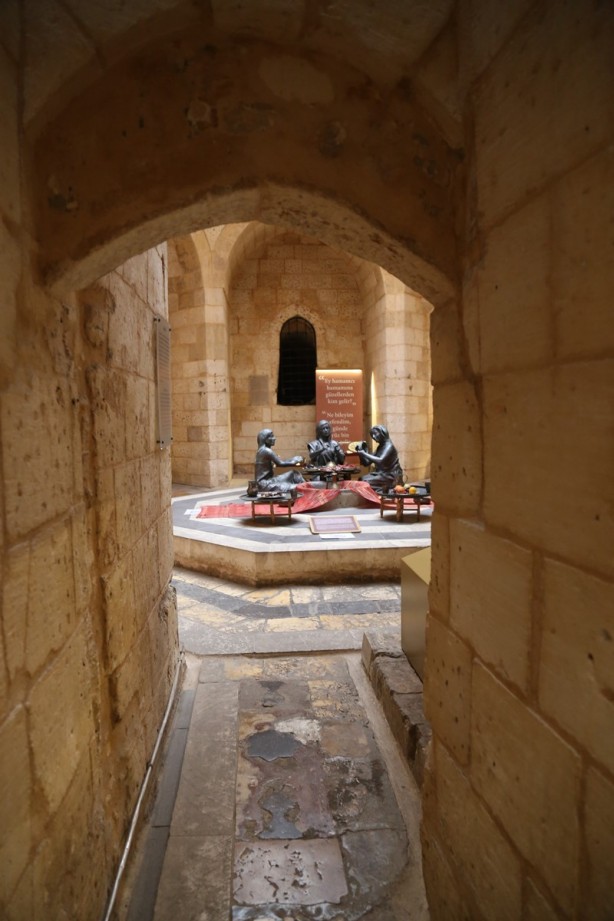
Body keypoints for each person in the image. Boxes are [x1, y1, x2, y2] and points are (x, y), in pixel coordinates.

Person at [355, 424, 403, 489]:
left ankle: (374, 497)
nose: (374, 437)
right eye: (372, 436)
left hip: (390, 476)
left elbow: (380, 460)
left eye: (375, 434)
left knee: (365, 482)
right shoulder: (380, 447)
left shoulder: (389, 446)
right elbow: (366, 463)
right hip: (382, 474)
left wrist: (364, 454)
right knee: (361, 479)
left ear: (382, 432)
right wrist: (361, 452)